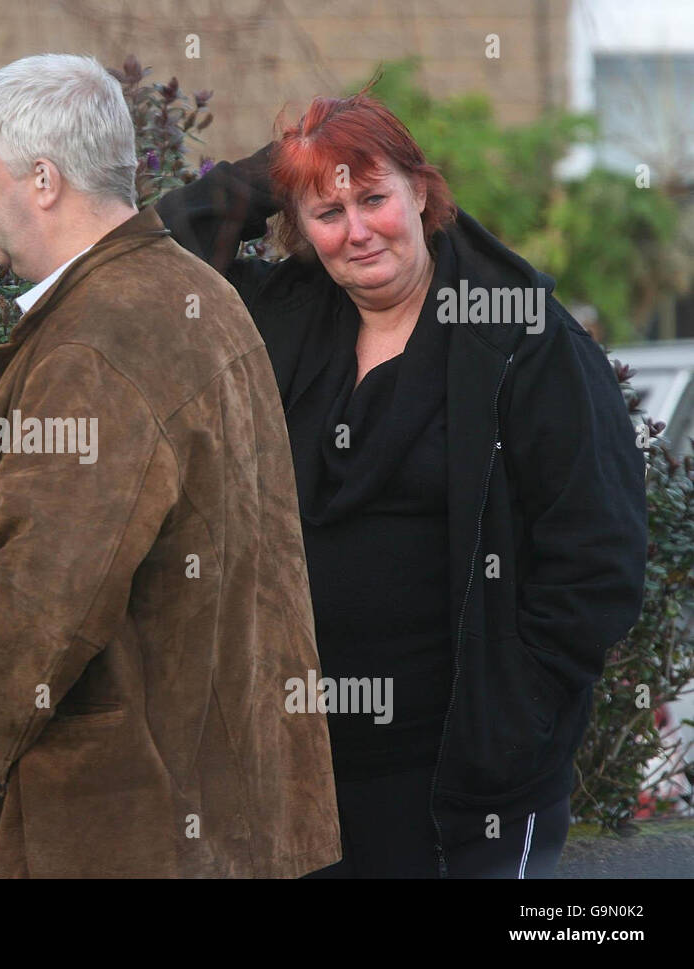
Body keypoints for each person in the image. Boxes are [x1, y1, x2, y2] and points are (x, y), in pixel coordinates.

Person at [0, 53, 341, 877]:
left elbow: (45, 609)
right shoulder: (186, 293)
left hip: (120, 827)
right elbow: (81, 432)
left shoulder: (97, 340)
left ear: (42, 180)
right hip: (220, 819)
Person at [154, 88, 647, 877]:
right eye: (327, 213)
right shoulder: (284, 312)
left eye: (374, 197)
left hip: (468, 779)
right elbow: (160, 257)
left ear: (420, 191)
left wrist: (517, 716)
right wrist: (278, 167)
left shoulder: (521, 337)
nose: (357, 231)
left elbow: (600, 556)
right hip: (304, 770)